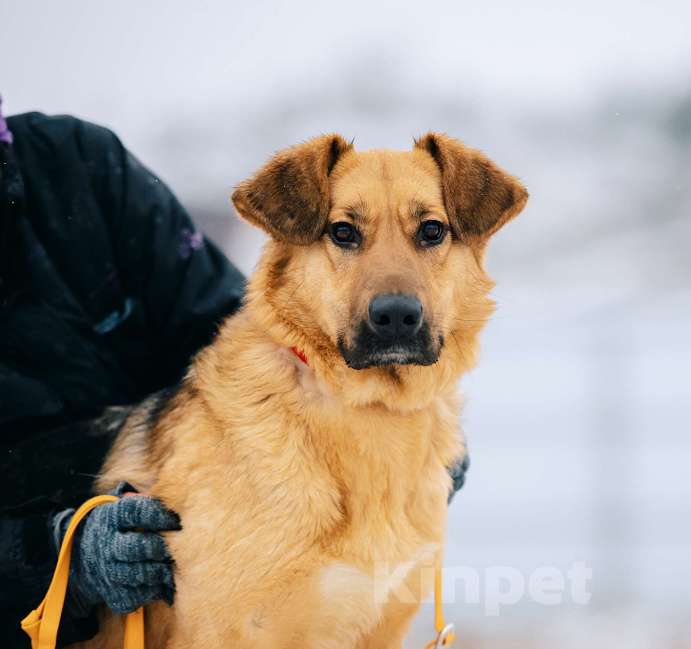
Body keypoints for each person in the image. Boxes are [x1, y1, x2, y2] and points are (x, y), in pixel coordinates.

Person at [0, 101, 469, 647]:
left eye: (430, 232)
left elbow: (227, 322)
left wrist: (397, 421)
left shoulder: (75, 162)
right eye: (345, 233)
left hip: (172, 474)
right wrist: (57, 558)